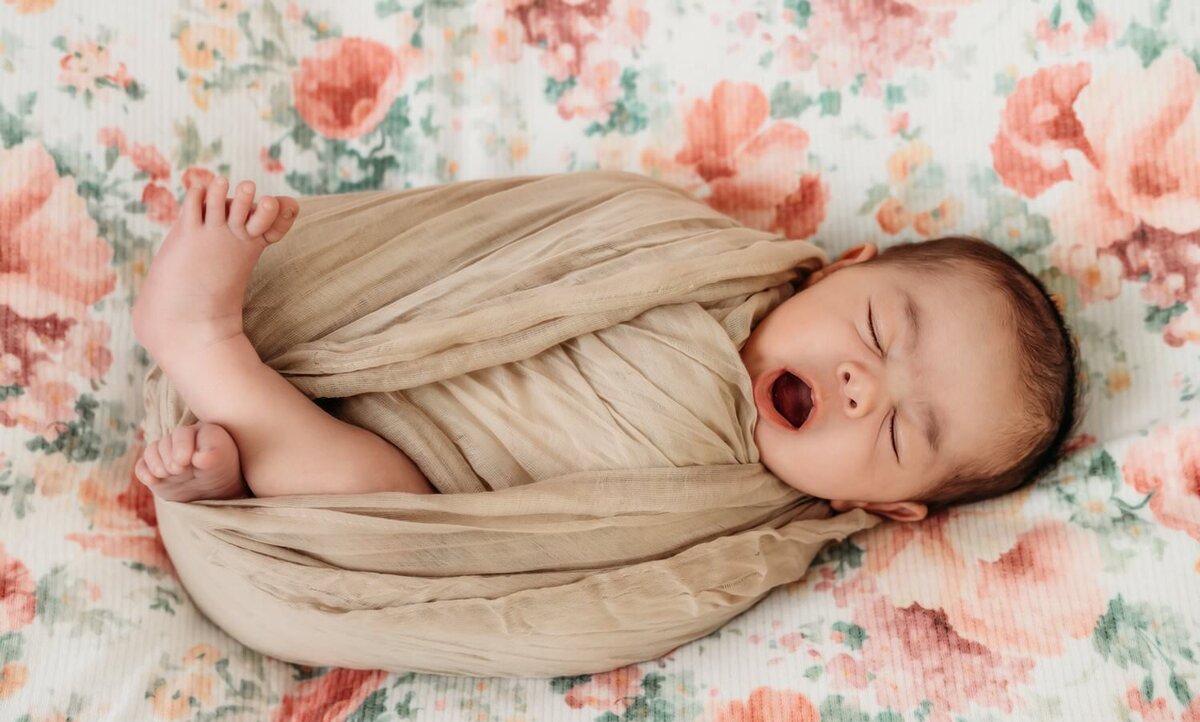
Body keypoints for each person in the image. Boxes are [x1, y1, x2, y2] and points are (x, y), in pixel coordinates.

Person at [132, 173, 1080, 522]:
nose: (862, 386)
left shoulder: (732, 532)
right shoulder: (682, 252)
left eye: (903, 434)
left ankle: (213, 364)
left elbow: (569, 583)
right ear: (840, 265)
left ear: (888, 508)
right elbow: (525, 244)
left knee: (390, 511)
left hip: (427, 478)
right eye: (875, 329)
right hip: (420, 339)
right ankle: (240, 368)